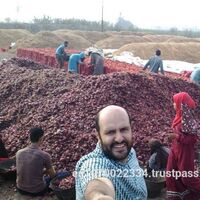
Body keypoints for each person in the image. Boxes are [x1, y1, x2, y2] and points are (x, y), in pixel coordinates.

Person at [75, 105, 147, 200]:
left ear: (131, 129)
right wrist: (98, 196)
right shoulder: (92, 164)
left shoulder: (131, 152)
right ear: (98, 135)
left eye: (124, 129)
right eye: (110, 132)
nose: (119, 139)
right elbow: (97, 183)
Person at [166, 92, 200, 200]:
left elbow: (193, 139)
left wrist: (177, 137)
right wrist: (173, 138)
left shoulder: (188, 120)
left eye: (175, 102)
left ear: (181, 103)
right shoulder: (178, 115)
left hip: (185, 152)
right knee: (171, 174)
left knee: (187, 178)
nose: (173, 104)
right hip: (175, 149)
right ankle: (178, 196)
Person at [16, 127, 56, 197]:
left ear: (29, 138)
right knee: (64, 173)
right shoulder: (45, 155)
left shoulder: (19, 152)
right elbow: (53, 176)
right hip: (37, 190)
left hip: (20, 188)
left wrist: (44, 171)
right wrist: (52, 169)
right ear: (41, 139)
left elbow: (27, 169)